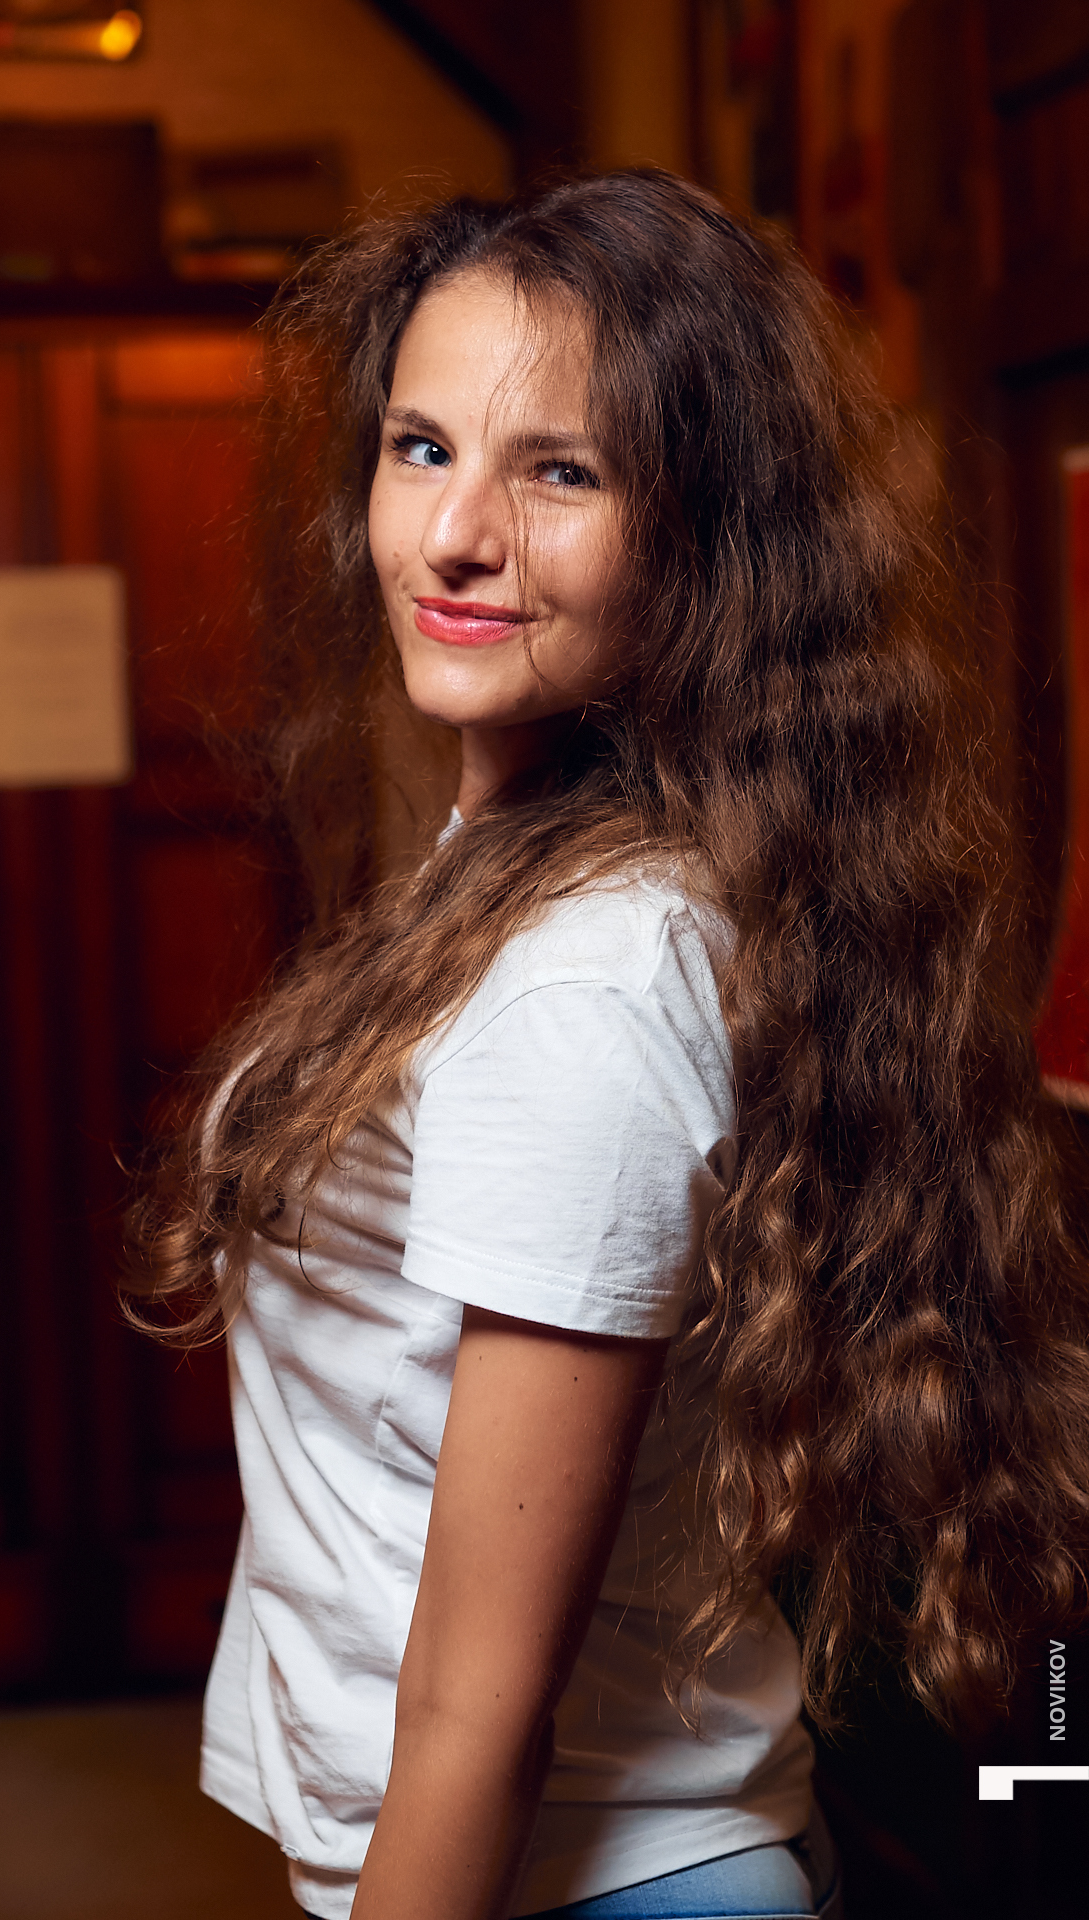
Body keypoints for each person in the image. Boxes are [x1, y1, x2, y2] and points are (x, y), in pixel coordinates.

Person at [127, 170, 1089, 1920]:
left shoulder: (582, 985)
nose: (453, 533)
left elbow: (477, 1709)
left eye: (559, 471)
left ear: (704, 536)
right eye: (421, 447)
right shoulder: (523, 871)